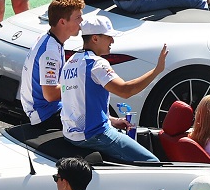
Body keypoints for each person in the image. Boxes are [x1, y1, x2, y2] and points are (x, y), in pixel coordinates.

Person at [59, 15, 168, 163]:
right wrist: (157, 71)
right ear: (95, 38)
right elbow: (125, 91)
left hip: (72, 135)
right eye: (109, 37)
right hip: (95, 135)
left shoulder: (70, 62)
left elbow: (77, 105)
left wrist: (112, 120)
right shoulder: (96, 63)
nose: (112, 41)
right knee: (153, 162)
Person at [22, 0, 85, 128]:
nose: (82, 22)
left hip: (45, 109)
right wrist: (79, 85)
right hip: (45, 114)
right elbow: (50, 94)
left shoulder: (49, 38)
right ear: (62, 22)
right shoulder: (50, 51)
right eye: (78, 18)